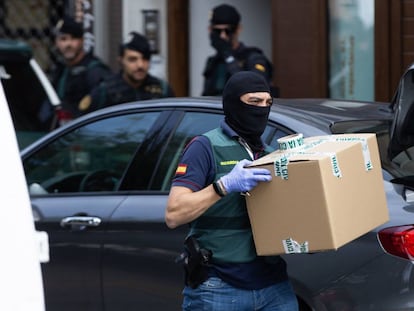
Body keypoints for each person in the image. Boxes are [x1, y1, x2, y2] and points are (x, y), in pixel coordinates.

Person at [165, 71, 298, 310]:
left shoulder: (270, 155)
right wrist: (223, 185)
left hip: (274, 285)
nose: (262, 109)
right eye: (254, 102)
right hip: (220, 286)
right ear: (233, 104)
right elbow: (174, 214)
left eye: (268, 103)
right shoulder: (205, 147)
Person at [78, 31, 175, 114]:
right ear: (121, 61)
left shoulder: (162, 90)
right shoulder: (105, 91)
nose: (140, 65)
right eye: (133, 59)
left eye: (145, 59)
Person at [202, 4, 276, 97]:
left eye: (228, 31)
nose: (222, 36)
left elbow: (253, 89)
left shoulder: (253, 58)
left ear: (238, 29)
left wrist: (228, 56)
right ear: (210, 30)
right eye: (217, 31)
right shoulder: (213, 61)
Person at [50, 15, 112, 122]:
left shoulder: (95, 71)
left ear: (82, 41)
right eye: (63, 39)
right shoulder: (60, 70)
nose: (68, 44)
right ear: (57, 42)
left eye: (73, 39)